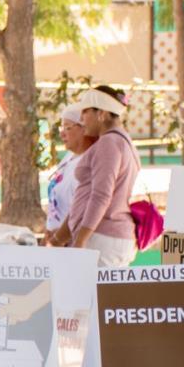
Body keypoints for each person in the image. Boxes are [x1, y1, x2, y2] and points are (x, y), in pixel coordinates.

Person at [57, 85, 139, 267]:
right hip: (107, 238)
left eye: (85, 112)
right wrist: (59, 239)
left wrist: (80, 242)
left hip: (101, 238)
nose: (82, 119)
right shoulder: (122, 141)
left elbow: (101, 195)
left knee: (90, 295)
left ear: (101, 113)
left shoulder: (109, 143)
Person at [43, 106, 98, 246]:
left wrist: (59, 237)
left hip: (73, 243)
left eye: (67, 127)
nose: (62, 134)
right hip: (58, 241)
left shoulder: (89, 162)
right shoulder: (70, 157)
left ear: (84, 129)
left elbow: (82, 210)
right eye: (62, 128)